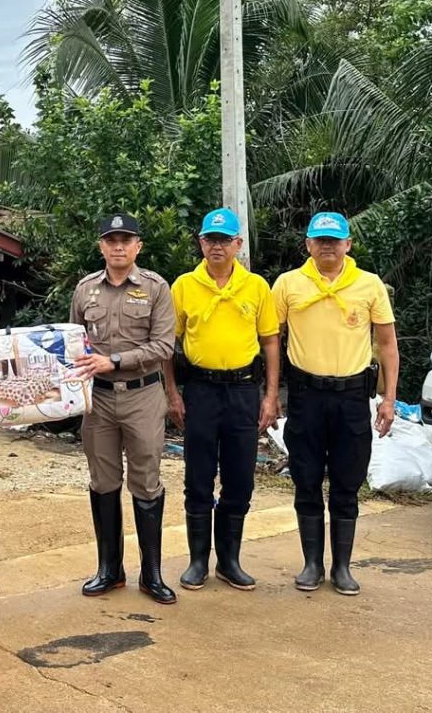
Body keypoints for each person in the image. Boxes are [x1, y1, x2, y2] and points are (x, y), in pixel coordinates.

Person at [273, 212, 398, 595]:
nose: (327, 246)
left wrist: (389, 398)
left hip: (351, 398)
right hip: (306, 396)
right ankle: (312, 564)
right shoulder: (288, 284)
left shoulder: (369, 284)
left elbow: (387, 344)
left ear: (348, 244)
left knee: (347, 481)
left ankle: (342, 567)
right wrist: (271, 393)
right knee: (306, 479)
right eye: (320, 240)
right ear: (308, 245)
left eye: (334, 240)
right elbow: (272, 339)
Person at [163, 208, 281, 592]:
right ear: (201, 242)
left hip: (243, 391)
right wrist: (172, 393)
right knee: (198, 476)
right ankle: (198, 560)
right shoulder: (184, 286)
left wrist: (270, 396)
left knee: (240, 477)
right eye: (210, 239)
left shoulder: (256, 286)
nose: (217, 246)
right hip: (200, 390)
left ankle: (229, 561)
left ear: (237, 244)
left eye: (224, 239)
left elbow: (270, 342)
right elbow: (168, 345)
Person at [69, 213, 176, 605]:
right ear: (101, 246)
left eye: (125, 240)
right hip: (97, 400)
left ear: (137, 247)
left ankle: (152, 574)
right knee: (103, 480)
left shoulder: (155, 288)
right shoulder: (85, 290)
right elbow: (73, 342)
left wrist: (113, 361)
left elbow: (163, 346)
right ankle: (109, 569)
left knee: (146, 480)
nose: (118, 246)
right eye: (111, 240)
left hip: (142, 395)